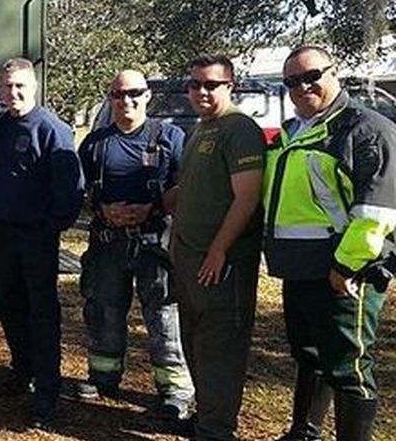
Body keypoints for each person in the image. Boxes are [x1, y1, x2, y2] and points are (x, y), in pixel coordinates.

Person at [263, 46, 396, 441]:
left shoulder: (364, 129)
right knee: (310, 355)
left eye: (311, 76)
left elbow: (377, 213)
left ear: (334, 73)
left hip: (345, 273)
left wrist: (345, 266)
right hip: (299, 267)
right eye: (291, 81)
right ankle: (303, 432)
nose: (302, 86)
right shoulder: (293, 131)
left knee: (348, 366)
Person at [76, 70, 194, 421]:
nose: (125, 100)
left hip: (155, 245)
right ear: (109, 98)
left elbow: (186, 187)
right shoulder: (95, 143)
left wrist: (153, 207)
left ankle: (175, 391)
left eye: (133, 93)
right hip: (107, 244)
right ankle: (103, 377)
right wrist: (102, 208)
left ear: (147, 96)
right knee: (103, 311)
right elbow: (80, 190)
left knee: (164, 316)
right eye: (117, 94)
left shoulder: (171, 138)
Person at [168, 55, 264, 441]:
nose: (201, 92)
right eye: (194, 84)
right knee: (195, 341)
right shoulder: (201, 130)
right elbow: (189, 191)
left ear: (230, 86)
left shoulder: (239, 130)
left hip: (223, 263)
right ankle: (206, 416)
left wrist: (219, 249)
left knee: (221, 346)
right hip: (189, 257)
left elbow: (247, 197)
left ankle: (217, 429)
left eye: (211, 84)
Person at [0, 57, 84, 432]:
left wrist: (52, 227)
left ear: (34, 86)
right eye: (7, 86)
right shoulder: (0, 127)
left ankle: (46, 392)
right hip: (6, 231)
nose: (13, 93)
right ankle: (21, 371)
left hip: (37, 235)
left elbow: (71, 189)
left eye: (19, 87)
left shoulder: (53, 129)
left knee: (41, 313)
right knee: (9, 304)